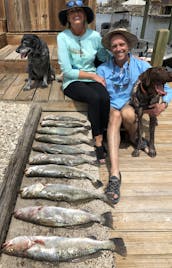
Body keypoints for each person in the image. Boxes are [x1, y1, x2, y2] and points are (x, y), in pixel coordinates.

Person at [97, 28, 172, 204]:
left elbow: (166, 89)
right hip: (113, 107)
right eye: (114, 46)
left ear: (129, 46)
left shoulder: (143, 66)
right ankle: (115, 174)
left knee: (127, 113)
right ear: (110, 49)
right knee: (117, 114)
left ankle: (133, 138)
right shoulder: (103, 69)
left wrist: (163, 104)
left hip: (134, 106)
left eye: (122, 44)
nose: (118, 48)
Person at [57, 0, 110, 164]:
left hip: (91, 75)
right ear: (68, 17)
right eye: (72, 12)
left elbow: (102, 57)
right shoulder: (63, 37)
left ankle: (106, 132)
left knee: (104, 97)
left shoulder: (94, 36)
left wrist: (114, 51)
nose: (76, 14)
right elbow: (67, 71)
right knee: (93, 98)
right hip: (72, 80)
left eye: (79, 10)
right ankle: (98, 141)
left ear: (86, 15)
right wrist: (94, 77)